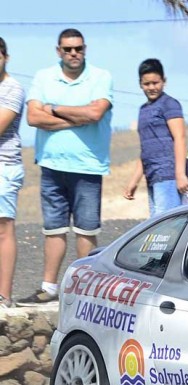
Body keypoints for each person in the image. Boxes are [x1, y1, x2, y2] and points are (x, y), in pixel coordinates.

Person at [19, 28, 113, 306]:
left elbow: (96, 113)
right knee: (53, 228)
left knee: (86, 229)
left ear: (85, 49)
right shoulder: (43, 77)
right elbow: (33, 118)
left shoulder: (100, 77)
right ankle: (49, 287)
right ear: (58, 51)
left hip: (87, 166)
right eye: (68, 49)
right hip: (51, 165)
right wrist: (76, 117)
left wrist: (55, 109)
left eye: (78, 48)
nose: (74, 53)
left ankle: (85, 289)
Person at [123, 58, 188, 216]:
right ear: (140, 84)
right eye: (147, 84)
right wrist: (134, 180)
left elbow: (180, 137)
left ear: (163, 81)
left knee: (168, 227)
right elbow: (145, 149)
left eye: (155, 82)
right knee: (156, 225)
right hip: (152, 176)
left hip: (168, 174)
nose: (152, 87)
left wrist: (180, 174)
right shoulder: (143, 110)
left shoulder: (169, 104)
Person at [0, 37, 24, 308]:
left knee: (3, 229)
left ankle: (4, 296)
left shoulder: (12, 89)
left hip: (4, 166)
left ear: (5, 57)